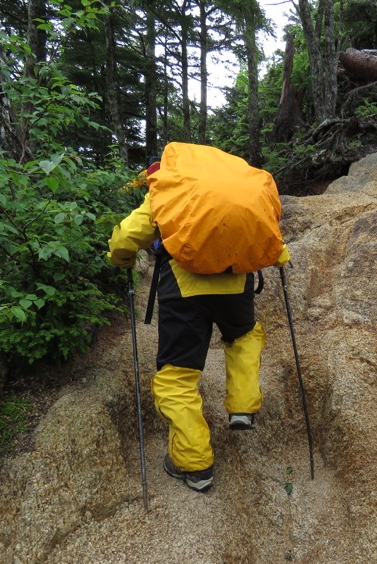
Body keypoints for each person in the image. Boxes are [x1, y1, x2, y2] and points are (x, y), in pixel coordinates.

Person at [107, 157, 290, 492]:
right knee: (243, 337)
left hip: (184, 286)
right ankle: (243, 406)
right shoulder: (220, 184)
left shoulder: (167, 189)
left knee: (177, 376)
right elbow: (264, 229)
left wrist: (122, 259)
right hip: (235, 281)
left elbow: (128, 235)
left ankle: (195, 464)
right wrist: (279, 256)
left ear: (153, 178)